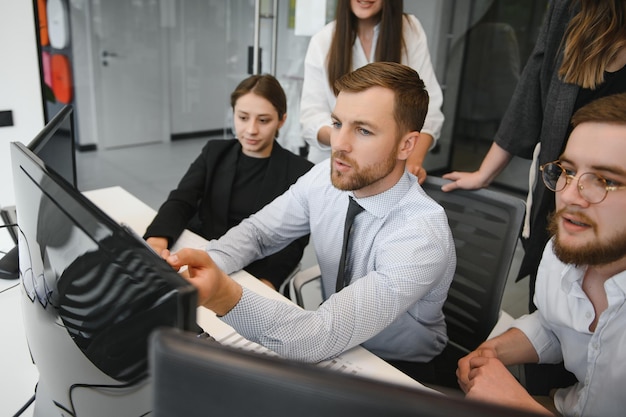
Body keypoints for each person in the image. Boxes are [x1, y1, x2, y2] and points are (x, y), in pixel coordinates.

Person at [165, 62, 456, 380]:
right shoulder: (324, 177)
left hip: (397, 367)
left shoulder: (421, 235)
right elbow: (259, 232)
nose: (339, 145)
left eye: (363, 130)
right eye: (336, 123)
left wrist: (223, 295)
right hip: (336, 344)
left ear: (407, 145)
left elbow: (320, 335)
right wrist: (200, 269)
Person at [442, 0, 626, 310]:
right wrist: (484, 173)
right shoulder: (567, 9)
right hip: (560, 198)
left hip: (613, 214)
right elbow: (531, 88)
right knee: (549, 304)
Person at [456, 93, 626, 417]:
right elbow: (553, 324)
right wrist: (493, 350)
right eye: (569, 171)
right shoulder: (563, 252)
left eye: (605, 180)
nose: (570, 195)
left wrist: (517, 403)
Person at [144, 74, 314, 291]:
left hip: (253, 272)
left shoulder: (300, 172)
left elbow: (293, 242)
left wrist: (267, 284)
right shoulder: (215, 152)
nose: (251, 130)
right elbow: (182, 199)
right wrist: (157, 240)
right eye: (243, 118)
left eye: (263, 120)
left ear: (281, 120)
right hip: (201, 255)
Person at [299, 0, 444, 183]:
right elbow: (311, 117)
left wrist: (413, 161)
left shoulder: (410, 30)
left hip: (390, 171)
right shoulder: (323, 40)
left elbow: (429, 107)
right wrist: (349, 138)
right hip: (332, 169)